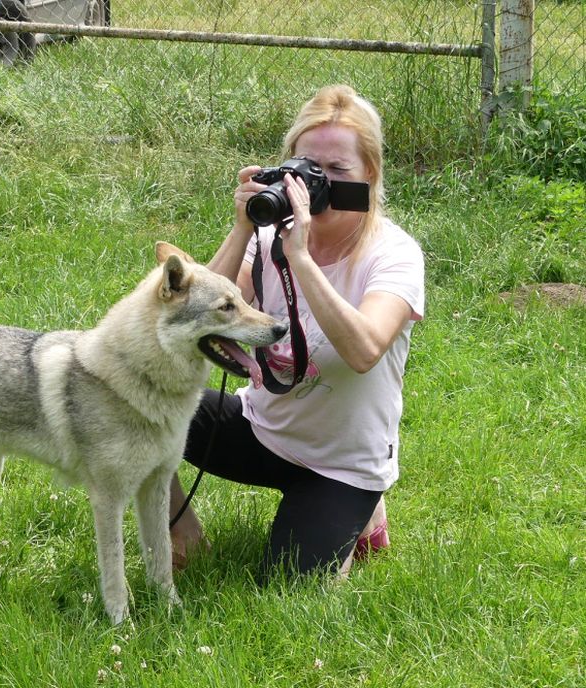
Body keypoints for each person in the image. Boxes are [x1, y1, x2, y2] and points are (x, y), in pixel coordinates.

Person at [170, 84, 425, 578]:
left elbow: (365, 349)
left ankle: (362, 511)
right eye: (307, 168)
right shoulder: (266, 235)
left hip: (341, 464)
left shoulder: (394, 254)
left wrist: (301, 257)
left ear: (368, 175)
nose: (318, 183)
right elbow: (190, 315)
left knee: (290, 586)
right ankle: (181, 530)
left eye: (337, 171)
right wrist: (244, 226)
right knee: (135, 407)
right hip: (262, 429)